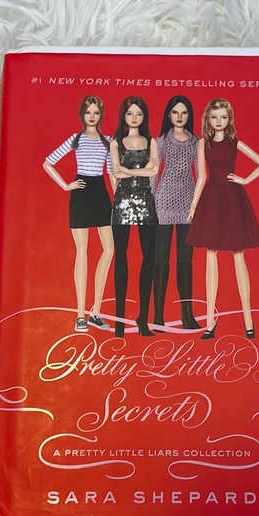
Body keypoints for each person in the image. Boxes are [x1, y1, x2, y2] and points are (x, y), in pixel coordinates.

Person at [187, 98, 259, 339]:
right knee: (210, 255)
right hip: (212, 199)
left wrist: (245, 179)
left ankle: (248, 319)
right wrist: (193, 205)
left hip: (232, 198)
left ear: (229, 118)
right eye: (214, 117)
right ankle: (210, 322)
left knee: (238, 255)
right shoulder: (203, 143)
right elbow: (202, 176)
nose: (219, 121)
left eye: (223, 117)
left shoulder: (234, 143)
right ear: (208, 119)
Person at [43, 96, 114, 333]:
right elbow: (48, 163)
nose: (92, 116)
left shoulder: (108, 142)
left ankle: (96, 312)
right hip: (81, 193)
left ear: (101, 115)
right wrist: (66, 185)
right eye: (88, 112)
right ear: (82, 114)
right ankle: (81, 315)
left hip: (101, 194)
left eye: (96, 113)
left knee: (109, 249)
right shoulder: (75, 139)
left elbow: (112, 173)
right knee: (82, 251)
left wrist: (118, 201)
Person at [110, 96, 159, 337]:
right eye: (130, 113)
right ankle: (119, 321)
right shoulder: (115, 142)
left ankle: (142, 319)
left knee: (149, 258)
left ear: (144, 116)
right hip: (122, 202)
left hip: (146, 202)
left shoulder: (151, 141)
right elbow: (115, 172)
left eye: (139, 114)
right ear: (123, 115)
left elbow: (154, 169)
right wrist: (140, 170)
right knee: (121, 258)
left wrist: (127, 171)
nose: (134, 118)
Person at [152, 96, 201, 332]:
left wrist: (197, 204)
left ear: (189, 115)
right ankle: (158, 316)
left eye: (184, 112)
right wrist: (151, 200)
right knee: (161, 259)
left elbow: (201, 174)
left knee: (185, 260)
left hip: (188, 205)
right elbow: (154, 171)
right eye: (175, 112)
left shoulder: (196, 142)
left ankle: (187, 315)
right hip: (162, 202)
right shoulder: (161, 140)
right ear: (169, 115)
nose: (179, 117)